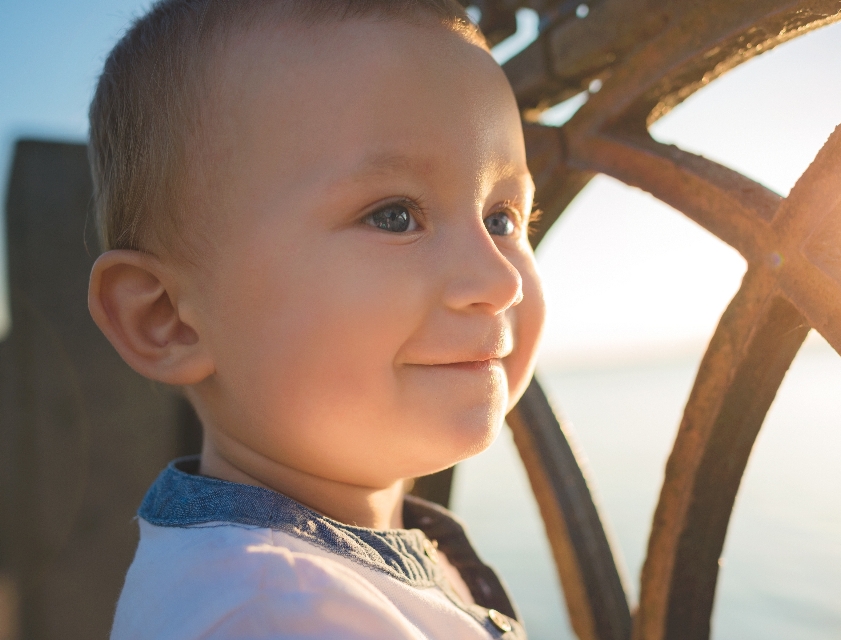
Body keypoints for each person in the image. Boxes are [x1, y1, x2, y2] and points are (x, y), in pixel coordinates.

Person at [85, 0, 545, 637]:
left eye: (502, 219)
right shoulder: (277, 615)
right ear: (168, 318)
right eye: (393, 215)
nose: (501, 280)